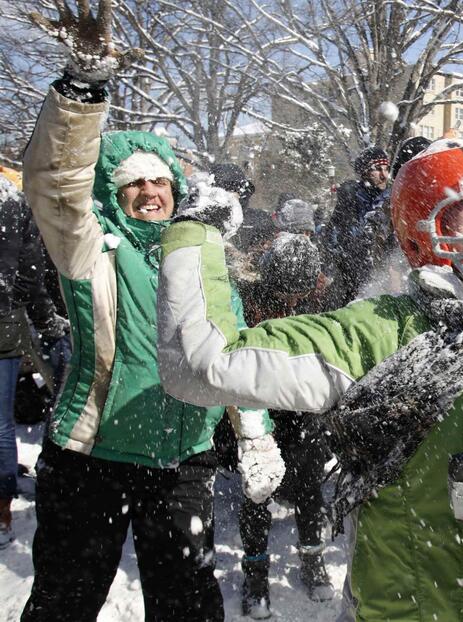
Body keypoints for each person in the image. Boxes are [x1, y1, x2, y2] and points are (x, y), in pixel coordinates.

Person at [155, 139, 463, 622]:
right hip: (411, 606)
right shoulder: (381, 330)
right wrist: (194, 232)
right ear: (425, 227)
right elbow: (203, 364)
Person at [19, 8, 282, 620]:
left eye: (160, 182)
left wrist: (257, 436)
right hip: (91, 459)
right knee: (65, 603)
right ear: (115, 190)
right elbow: (55, 179)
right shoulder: (88, 245)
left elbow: (233, 348)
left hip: (181, 461)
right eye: (135, 183)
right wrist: (83, 90)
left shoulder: (199, 251)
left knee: (189, 606)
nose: (150, 192)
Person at [235, 233, 335, 618]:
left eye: (300, 293)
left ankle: (313, 559)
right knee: (257, 488)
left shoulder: (324, 291)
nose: (293, 301)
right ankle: (255, 573)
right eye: (285, 294)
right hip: (258, 400)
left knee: (310, 486)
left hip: (304, 403)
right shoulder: (249, 294)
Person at [0, 176, 69, 548]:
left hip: (20, 321)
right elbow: (29, 272)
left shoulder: (19, 203)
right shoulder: (14, 203)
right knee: (2, 423)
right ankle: (5, 508)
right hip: (15, 322)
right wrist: (46, 319)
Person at [323, 146, 392, 308]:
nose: (384, 175)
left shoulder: (392, 196)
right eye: (377, 169)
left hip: (385, 274)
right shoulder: (351, 197)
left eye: (386, 169)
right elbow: (333, 235)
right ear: (365, 172)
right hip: (351, 276)